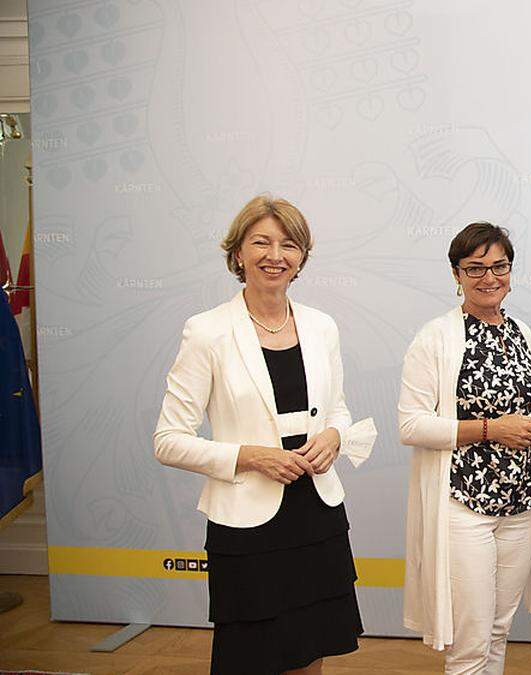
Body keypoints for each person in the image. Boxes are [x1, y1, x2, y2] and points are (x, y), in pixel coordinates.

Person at [154, 195, 363, 674]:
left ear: (302, 257)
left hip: (316, 513)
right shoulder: (206, 332)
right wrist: (249, 456)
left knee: (312, 648)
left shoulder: (321, 326)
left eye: (288, 245)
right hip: (247, 522)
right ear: (238, 253)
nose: (275, 255)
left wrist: (334, 435)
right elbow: (168, 439)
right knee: (250, 656)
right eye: (261, 242)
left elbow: (340, 411)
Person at [398, 222, 531, 674]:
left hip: (521, 501)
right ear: (456, 274)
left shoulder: (522, 332)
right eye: (475, 269)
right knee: (469, 643)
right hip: (463, 503)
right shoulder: (436, 337)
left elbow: (526, 408)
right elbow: (411, 424)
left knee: (497, 630)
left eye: (499, 266)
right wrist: (490, 430)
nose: (489, 278)